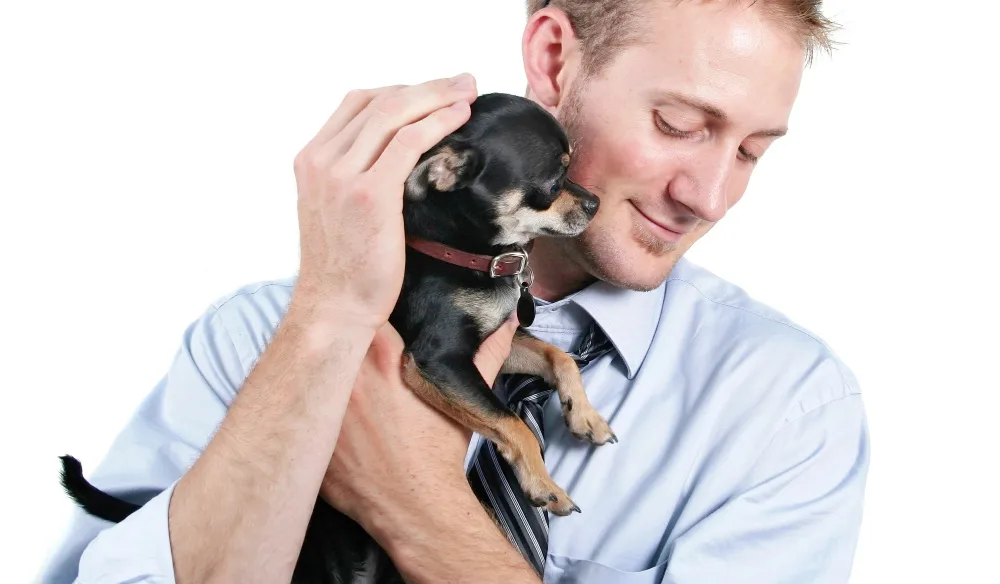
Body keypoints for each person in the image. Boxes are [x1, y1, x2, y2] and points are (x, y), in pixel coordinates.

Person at [41, 0, 870, 582]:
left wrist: (418, 504)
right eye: (680, 126)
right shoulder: (261, 337)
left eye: (754, 151)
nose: (711, 198)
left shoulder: (787, 411)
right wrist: (327, 332)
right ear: (553, 58)